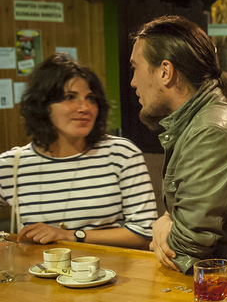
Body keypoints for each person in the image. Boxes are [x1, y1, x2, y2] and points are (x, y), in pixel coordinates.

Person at [130, 15, 227, 272]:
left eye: (136, 68)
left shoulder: (211, 131)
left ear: (165, 72)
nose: (133, 82)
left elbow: (182, 251)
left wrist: (161, 226)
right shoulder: (199, 122)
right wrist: (166, 220)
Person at [0, 54, 157, 249]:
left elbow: (145, 233)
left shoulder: (121, 154)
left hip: (111, 275)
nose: (85, 107)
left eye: (90, 98)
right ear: (42, 106)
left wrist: (70, 235)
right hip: (38, 276)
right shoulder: (12, 165)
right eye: (69, 97)